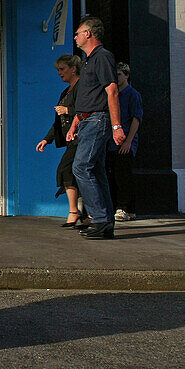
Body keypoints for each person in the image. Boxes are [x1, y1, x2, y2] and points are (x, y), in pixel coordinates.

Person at [65, 16, 126, 239]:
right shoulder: (89, 59)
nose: (75, 36)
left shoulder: (102, 57)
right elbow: (88, 97)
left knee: (81, 167)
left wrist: (117, 126)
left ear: (88, 33)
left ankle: (98, 219)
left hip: (98, 121)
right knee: (96, 171)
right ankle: (105, 221)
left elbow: (112, 91)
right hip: (87, 120)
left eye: (78, 32)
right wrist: (75, 124)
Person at [36, 54, 85, 227]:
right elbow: (58, 121)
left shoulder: (81, 87)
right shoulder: (66, 91)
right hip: (71, 139)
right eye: (58, 69)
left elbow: (86, 110)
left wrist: (67, 110)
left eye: (62, 69)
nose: (59, 73)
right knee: (75, 173)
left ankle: (75, 211)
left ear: (73, 69)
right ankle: (81, 212)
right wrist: (46, 139)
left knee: (67, 169)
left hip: (82, 137)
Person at [108, 62, 143, 222]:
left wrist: (129, 142)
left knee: (124, 176)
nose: (117, 78)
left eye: (120, 74)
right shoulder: (113, 94)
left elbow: (136, 119)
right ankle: (121, 206)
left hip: (125, 141)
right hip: (112, 141)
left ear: (127, 75)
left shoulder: (132, 94)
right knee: (115, 175)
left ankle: (125, 207)